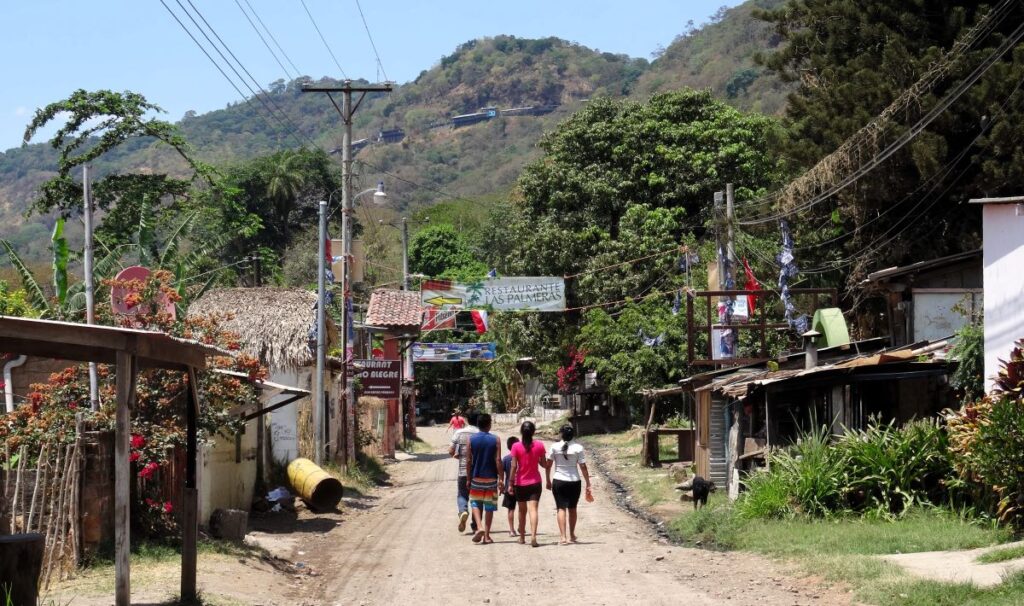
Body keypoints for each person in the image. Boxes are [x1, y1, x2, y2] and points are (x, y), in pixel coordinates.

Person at [545, 424, 592, 544]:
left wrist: (548, 480)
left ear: (561, 434)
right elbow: (583, 467)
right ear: (573, 434)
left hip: (559, 481)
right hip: (574, 482)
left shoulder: (554, 447)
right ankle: (571, 534)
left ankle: (563, 537)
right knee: (572, 508)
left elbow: (548, 465)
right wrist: (588, 482)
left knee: (561, 508)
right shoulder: (578, 448)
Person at [463, 414, 503, 544]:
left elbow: (468, 460)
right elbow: (498, 460)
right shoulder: (496, 440)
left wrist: (468, 478)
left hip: (476, 477)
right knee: (489, 507)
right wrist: (501, 478)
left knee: (475, 503)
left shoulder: (471, 439)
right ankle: (486, 535)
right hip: (491, 478)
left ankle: (479, 527)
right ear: (489, 424)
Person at [509, 420, 548, 547]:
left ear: (521, 432)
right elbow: (543, 464)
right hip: (535, 482)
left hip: (520, 483)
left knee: (522, 511)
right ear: (533, 432)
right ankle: (533, 536)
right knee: (533, 510)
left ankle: (521, 538)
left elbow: (514, 466)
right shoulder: (540, 445)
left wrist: (510, 482)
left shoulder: (515, 446)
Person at [448, 412, 479, 534]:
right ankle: (475, 524)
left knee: (462, 494)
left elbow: (450, 450)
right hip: (478, 471)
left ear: (466, 420)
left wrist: (459, 457)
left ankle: (463, 510)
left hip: (462, 470)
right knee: (476, 497)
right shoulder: (480, 434)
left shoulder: (459, 432)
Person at [501, 436, 519, 537]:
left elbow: (501, 473)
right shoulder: (520, 457)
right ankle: (522, 527)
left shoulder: (506, 459)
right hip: (521, 485)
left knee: (511, 509)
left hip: (509, 486)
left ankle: (511, 530)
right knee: (522, 508)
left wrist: (501, 485)